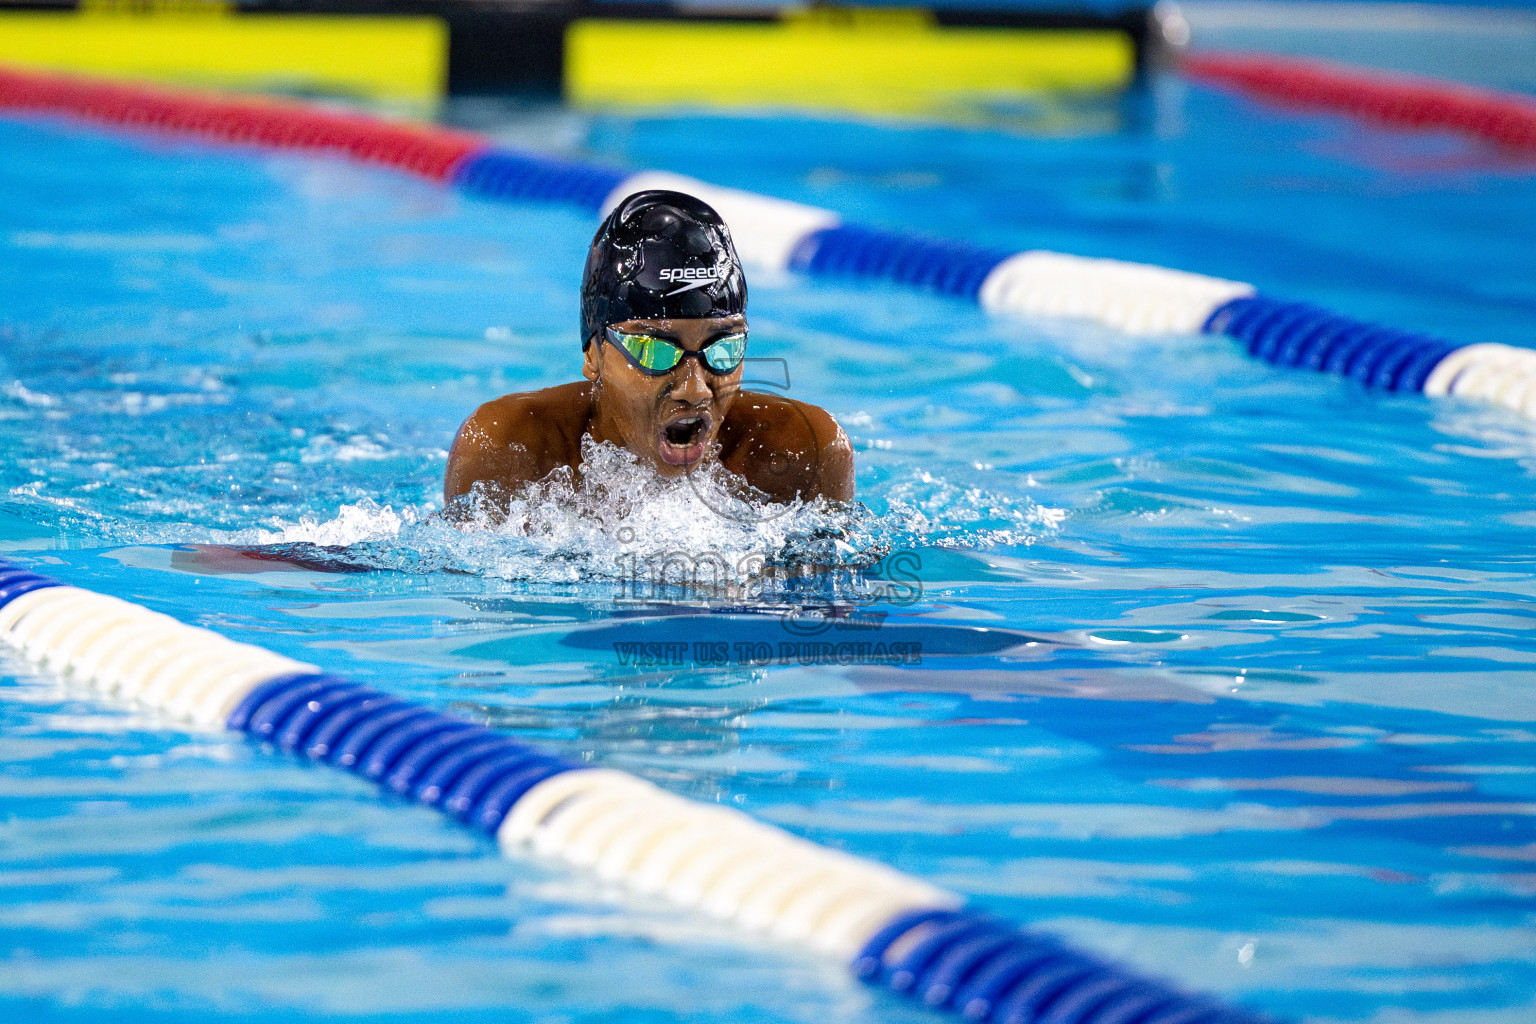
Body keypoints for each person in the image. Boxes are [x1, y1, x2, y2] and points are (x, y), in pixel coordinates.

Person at [444, 189, 854, 511]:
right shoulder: (511, 451)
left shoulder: (802, 453)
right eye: (655, 351)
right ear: (594, 354)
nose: (695, 389)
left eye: (723, 349)